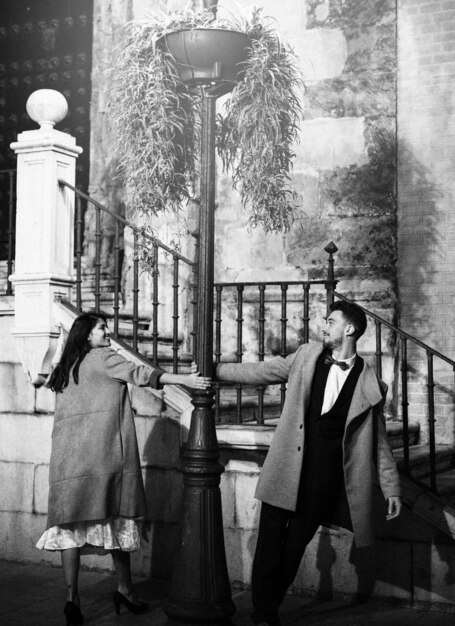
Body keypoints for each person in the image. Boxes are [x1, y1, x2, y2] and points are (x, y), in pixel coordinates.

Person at [216, 300, 402, 626]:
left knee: (294, 547)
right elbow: (264, 371)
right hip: (287, 467)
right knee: (270, 542)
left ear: (349, 329)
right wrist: (215, 370)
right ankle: (264, 613)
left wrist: (392, 488)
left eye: (330, 321)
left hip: (324, 478)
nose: (323, 325)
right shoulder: (307, 356)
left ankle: (269, 604)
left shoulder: (371, 383)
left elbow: (380, 443)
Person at [37, 312, 211, 626]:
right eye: (102, 327)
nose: (108, 332)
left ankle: (71, 599)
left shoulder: (65, 366)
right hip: (104, 460)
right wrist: (185, 380)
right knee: (116, 522)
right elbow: (143, 374)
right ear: (88, 335)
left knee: (71, 529)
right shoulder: (105, 358)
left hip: (68, 462)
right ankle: (125, 589)